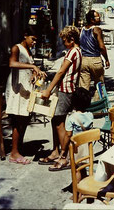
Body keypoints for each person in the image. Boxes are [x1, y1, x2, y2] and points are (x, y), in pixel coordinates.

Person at [38, 26, 82, 165]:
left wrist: (48, 90)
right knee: (55, 120)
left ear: (72, 39)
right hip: (66, 89)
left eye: (65, 41)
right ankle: (56, 151)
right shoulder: (75, 51)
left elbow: (61, 72)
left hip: (66, 90)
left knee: (59, 123)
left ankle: (64, 156)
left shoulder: (73, 52)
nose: (63, 43)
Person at [5, 26, 46, 164]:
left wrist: (35, 75)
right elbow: (12, 63)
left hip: (26, 88)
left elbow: (29, 67)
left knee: (24, 119)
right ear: (25, 36)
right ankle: (14, 153)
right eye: (33, 39)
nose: (34, 43)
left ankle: (18, 149)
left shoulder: (28, 51)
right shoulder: (16, 48)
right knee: (18, 119)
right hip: (17, 88)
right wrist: (33, 67)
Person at [48, 87, 93, 172]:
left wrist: (64, 150)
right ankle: (83, 182)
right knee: (83, 167)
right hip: (87, 146)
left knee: (76, 169)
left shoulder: (72, 118)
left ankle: (76, 184)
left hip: (76, 147)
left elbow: (68, 135)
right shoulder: (90, 115)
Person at [79, 10, 110, 100]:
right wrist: (106, 59)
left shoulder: (82, 30)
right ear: (92, 20)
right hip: (95, 60)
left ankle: (82, 107)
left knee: (84, 87)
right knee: (99, 85)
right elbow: (102, 47)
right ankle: (98, 108)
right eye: (98, 17)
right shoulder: (97, 30)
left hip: (84, 60)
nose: (99, 18)